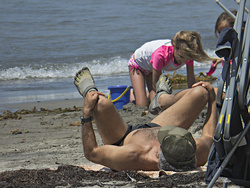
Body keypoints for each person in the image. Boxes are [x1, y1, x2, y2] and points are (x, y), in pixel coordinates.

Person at [74, 67, 218, 172]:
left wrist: (86, 113)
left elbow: (91, 152)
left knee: (100, 103)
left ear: (158, 153)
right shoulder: (195, 151)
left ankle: (90, 91)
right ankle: (162, 98)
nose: (161, 138)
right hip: (157, 124)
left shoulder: (133, 156)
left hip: (122, 137)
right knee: (201, 93)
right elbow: (209, 136)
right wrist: (212, 99)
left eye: (165, 137)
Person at [128, 31, 220, 107]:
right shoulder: (160, 55)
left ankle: (143, 94)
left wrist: (194, 96)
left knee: (154, 103)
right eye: (181, 56)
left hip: (151, 68)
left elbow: (191, 81)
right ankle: (133, 94)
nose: (183, 60)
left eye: (187, 58)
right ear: (174, 46)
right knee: (142, 105)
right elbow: (156, 84)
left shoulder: (188, 55)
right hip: (138, 65)